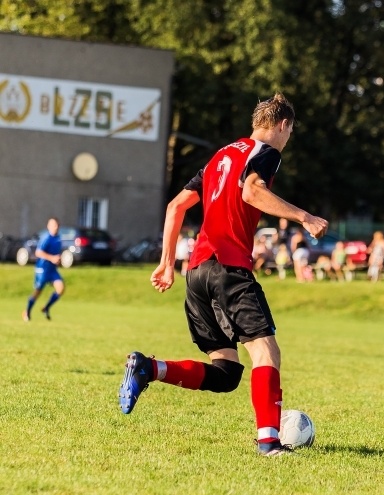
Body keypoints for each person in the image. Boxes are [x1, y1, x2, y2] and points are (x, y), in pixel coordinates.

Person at [117, 93, 328, 457]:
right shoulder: (265, 152)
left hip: (197, 272)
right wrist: (304, 216)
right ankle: (268, 443)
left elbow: (176, 205)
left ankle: (149, 368)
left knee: (227, 374)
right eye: (290, 131)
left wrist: (167, 262)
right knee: (266, 352)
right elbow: (252, 191)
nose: (288, 139)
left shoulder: (220, 156)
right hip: (228, 267)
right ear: (283, 125)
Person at [23, 217, 65, 321]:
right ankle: (27, 312)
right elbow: (38, 252)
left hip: (52, 270)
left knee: (61, 289)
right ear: (48, 226)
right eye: (53, 225)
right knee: (38, 291)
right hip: (42, 269)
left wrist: (58, 260)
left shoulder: (58, 238)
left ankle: (46, 308)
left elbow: (56, 254)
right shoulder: (46, 238)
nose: (56, 227)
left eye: (57, 225)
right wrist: (52, 258)